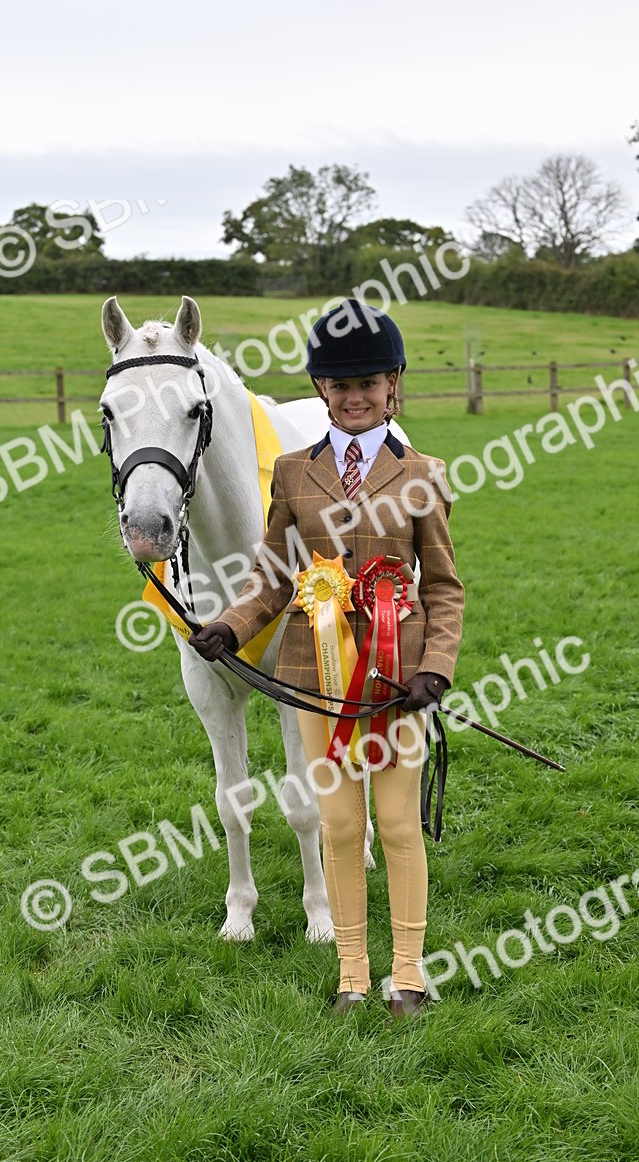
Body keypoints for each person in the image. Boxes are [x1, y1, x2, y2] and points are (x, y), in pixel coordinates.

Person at [189, 299, 464, 1018]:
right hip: (315, 679)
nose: (355, 397)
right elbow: (275, 577)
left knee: (398, 827)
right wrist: (230, 622)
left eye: (368, 383)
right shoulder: (290, 473)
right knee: (339, 826)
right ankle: (351, 976)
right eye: (340, 386)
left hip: (395, 681)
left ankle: (406, 975)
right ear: (321, 391)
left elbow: (443, 586)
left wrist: (435, 665)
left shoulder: (422, 473)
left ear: (394, 384)